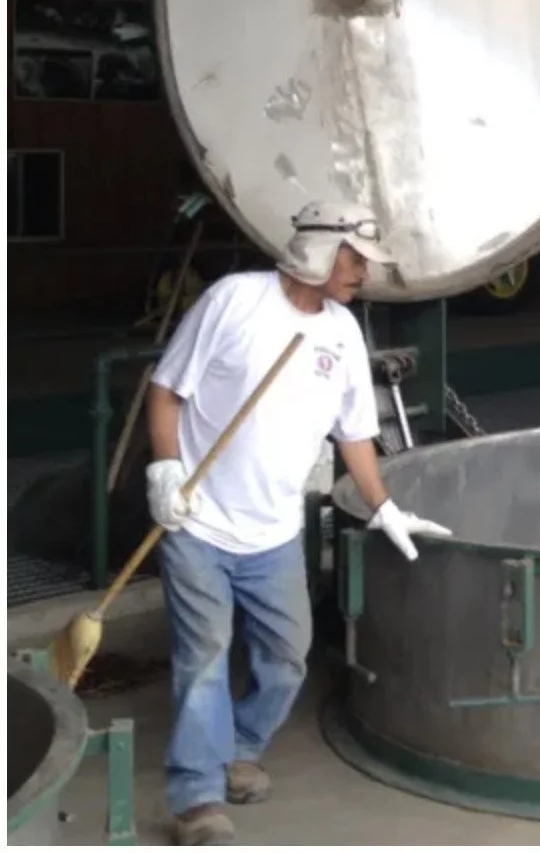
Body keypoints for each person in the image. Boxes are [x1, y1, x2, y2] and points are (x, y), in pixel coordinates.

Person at [144, 201, 451, 846]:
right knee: (202, 659)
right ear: (318, 249)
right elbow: (166, 389)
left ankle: (240, 746)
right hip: (199, 524)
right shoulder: (234, 301)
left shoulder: (341, 333)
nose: (362, 274)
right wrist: (166, 472)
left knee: (287, 659)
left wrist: (386, 507)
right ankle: (197, 798)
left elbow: (357, 438)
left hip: (275, 533)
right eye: (355, 258)